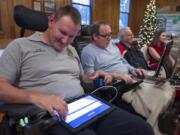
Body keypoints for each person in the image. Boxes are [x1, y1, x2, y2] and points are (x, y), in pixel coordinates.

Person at [0, 5, 154, 135]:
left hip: (83, 105)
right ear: (51, 21)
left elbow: (82, 79)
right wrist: (38, 98)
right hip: (49, 115)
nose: (66, 41)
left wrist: (94, 75)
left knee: (142, 129)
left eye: (72, 36)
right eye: (63, 32)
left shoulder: (71, 50)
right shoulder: (20, 46)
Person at [81, 21, 175, 135]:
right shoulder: (87, 52)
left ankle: (157, 127)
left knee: (167, 89)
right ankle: (152, 130)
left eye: (110, 34)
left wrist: (133, 69)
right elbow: (90, 77)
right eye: (105, 36)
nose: (109, 38)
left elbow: (123, 61)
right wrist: (117, 75)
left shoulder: (111, 45)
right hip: (118, 85)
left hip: (131, 78)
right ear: (95, 36)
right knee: (160, 97)